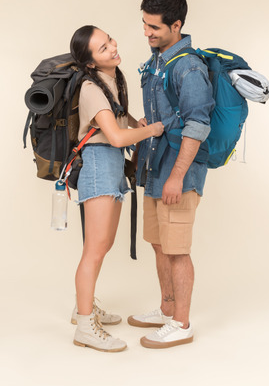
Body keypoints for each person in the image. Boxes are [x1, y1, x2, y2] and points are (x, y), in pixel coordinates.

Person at [127, 0, 215, 348]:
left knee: (177, 249)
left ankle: (181, 325)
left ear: (176, 25)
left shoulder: (190, 67)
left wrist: (178, 176)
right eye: (144, 24)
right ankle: (166, 310)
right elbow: (161, 119)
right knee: (160, 244)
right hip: (154, 168)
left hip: (179, 173)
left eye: (154, 28)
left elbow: (197, 124)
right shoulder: (158, 61)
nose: (146, 32)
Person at [69, 25, 164, 352]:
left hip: (111, 164)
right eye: (103, 48)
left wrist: (137, 122)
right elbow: (116, 137)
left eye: (109, 40)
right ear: (91, 63)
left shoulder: (113, 77)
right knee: (94, 250)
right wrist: (152, 129)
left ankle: (85, 306)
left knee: (103, 244)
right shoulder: (91, 87)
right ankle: (84, 326)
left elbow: (120, 121)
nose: (112, 47)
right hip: (98, 163)